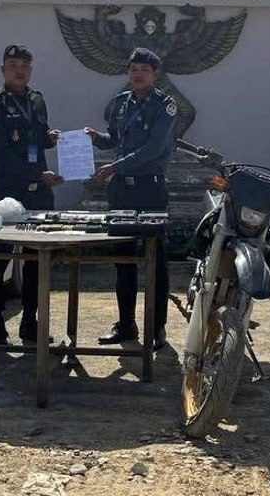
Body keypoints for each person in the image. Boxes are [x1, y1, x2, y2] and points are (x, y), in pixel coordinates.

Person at [85, 47, 177, 350]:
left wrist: (115, 166)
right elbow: (115, 139)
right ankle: (126, 325)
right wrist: (95, 138)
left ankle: (157, 328)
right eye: (134, 69)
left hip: (149, 189)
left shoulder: (165, 106)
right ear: (128, 72)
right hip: (121, 190)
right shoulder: (121, 103)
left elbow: (154, 148)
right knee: (123, 259)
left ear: (155, 74)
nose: (138, 74)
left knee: (155, 261)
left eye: (144, 70)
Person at [0, 44, 63, 345]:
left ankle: (30, 321)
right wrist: (38, 175)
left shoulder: (36, 100)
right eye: (13, 65)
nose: (19, 71)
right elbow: (2, 153)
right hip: (7, 194)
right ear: (3, 69)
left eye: (25, 66)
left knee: (35, 259)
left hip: (38, 194)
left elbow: (36, 138)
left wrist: (50, 139)